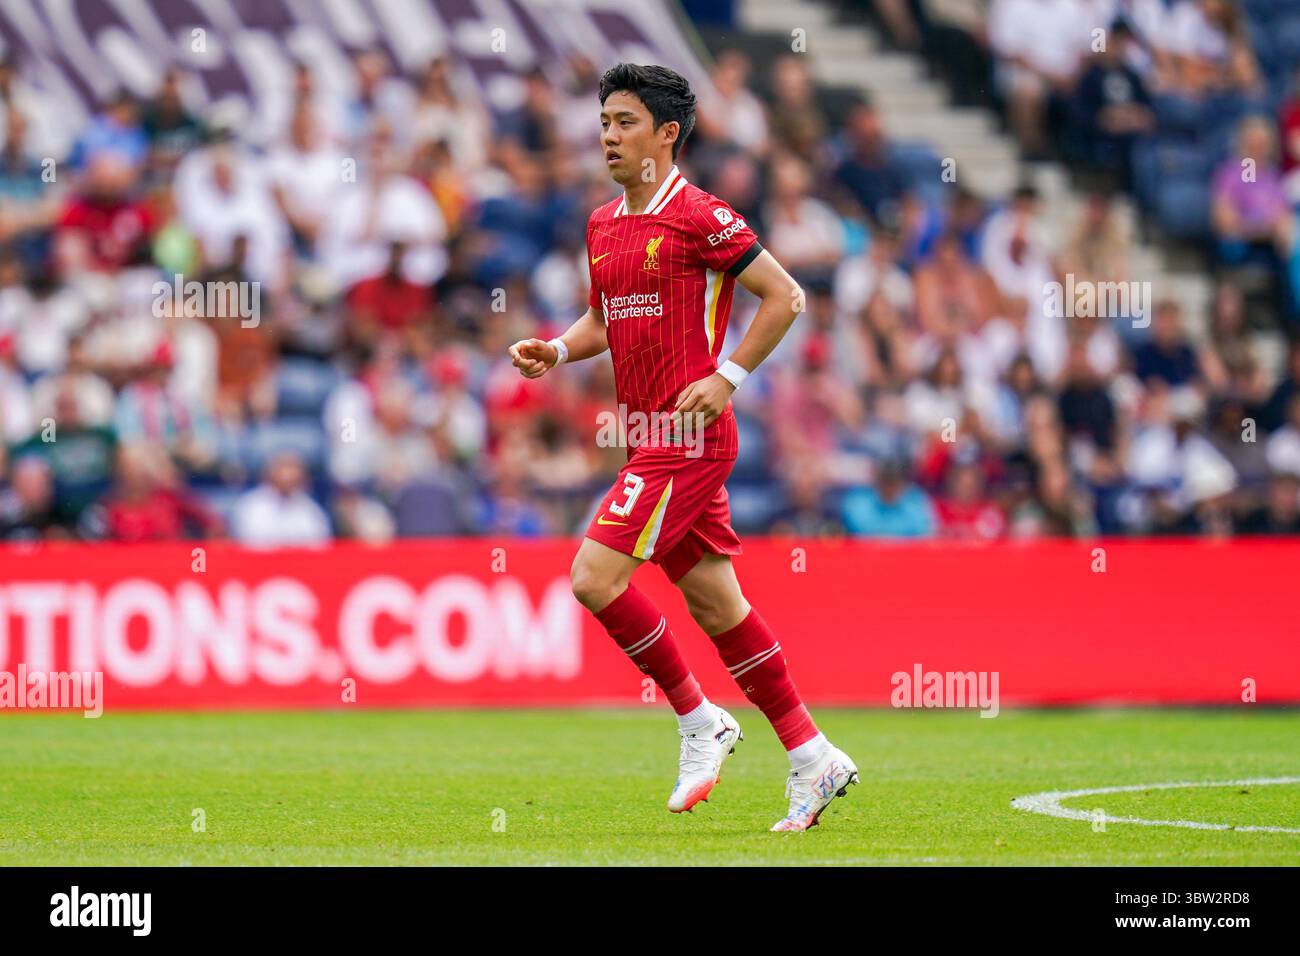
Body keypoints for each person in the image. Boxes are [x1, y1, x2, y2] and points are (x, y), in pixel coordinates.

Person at [507, 63, 858, 832]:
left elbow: (786, 295)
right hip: (645, 437)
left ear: (667, 134)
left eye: (625, 122)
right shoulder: (602, 225)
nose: (608, 135)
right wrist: (557, 352)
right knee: (717, 603)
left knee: (592, 577)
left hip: (688, 434)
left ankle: (701, 719)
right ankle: (812, 755)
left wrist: (728, 377)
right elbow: (604, 320)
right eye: (603, 121)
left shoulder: (701, 214)